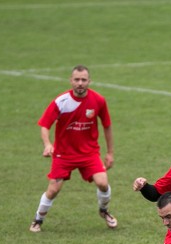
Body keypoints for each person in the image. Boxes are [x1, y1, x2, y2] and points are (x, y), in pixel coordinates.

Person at [29, 65, 117, 232]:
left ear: (89, 81)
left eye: (84, 80)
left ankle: (104, 211)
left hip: (89, 153)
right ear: (71, 81)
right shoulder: (61, 101)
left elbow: (107, 126)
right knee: (53, 190)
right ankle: (38, 219)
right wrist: (48, 144)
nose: (80, 83)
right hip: (63, 154)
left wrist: (110, 153)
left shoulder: (98, 100)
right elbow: (44, 125)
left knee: (103, 183)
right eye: (77, 80)